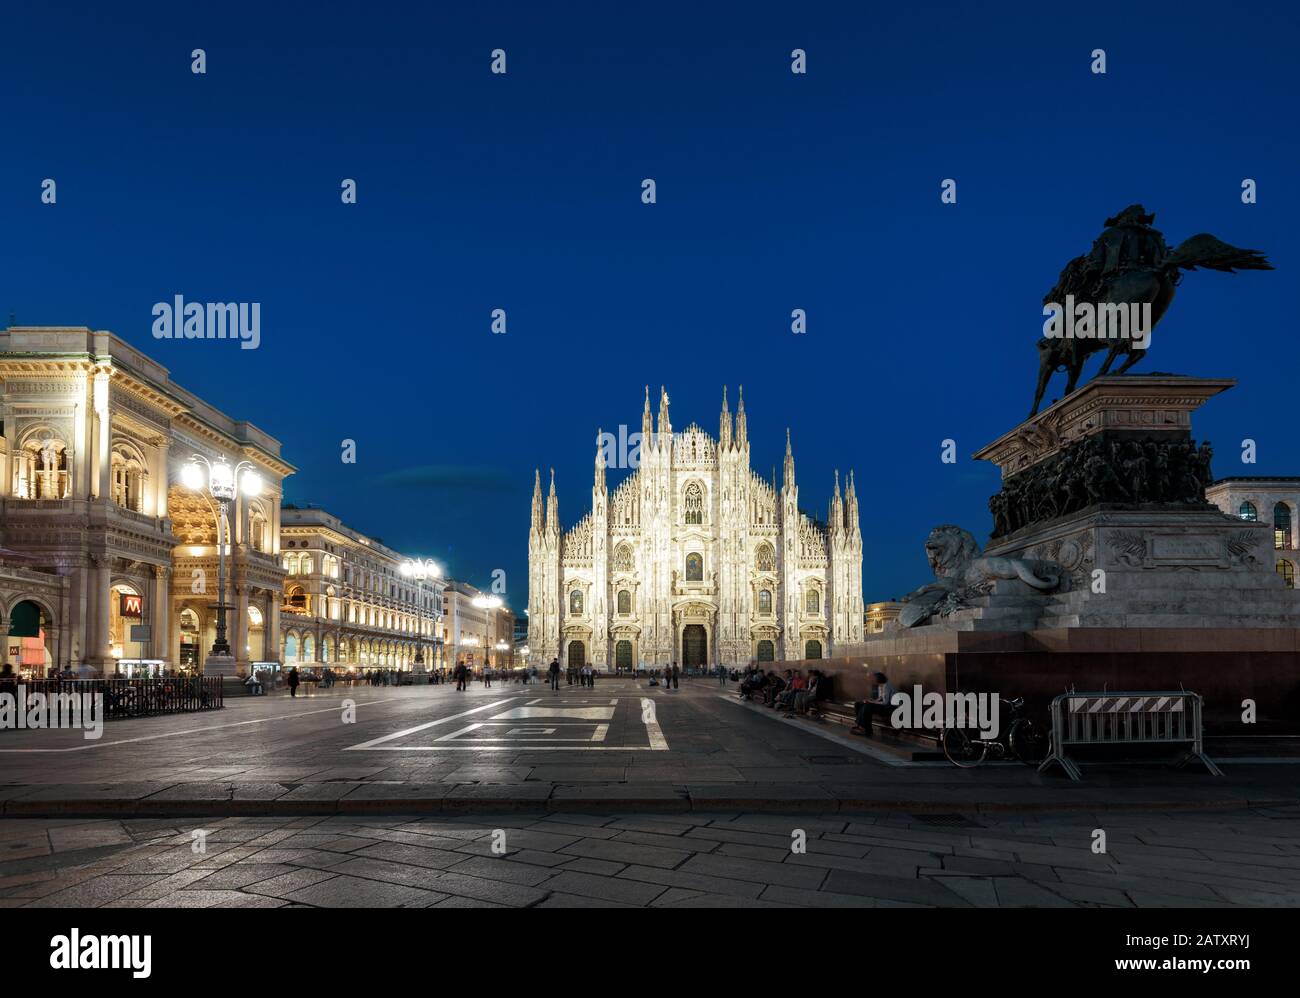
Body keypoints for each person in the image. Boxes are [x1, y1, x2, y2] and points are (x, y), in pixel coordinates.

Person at [852, 672, 897, 737]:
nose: (872, 680)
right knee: (858, 704)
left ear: (878, 679)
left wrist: (871, 702)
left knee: (868, 706)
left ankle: (866, 729)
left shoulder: (887, 686)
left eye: (873, 679)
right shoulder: (880, 686)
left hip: (890, 707)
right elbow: (880, 698)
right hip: (884, 705)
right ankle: (860, 725)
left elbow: (885, 702)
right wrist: (871, 700)